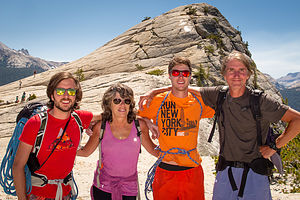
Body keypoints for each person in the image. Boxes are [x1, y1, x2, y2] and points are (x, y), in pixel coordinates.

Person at [140, 51, 300, 200]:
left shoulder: (259, 100)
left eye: (241, 70)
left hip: (253, 172)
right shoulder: (219, 96)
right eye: (231, 70)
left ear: (248, 74)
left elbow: (297, 120)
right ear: (224, 74)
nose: (236, 75)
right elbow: (180, 88)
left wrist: (274, 146)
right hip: (224, 172)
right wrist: (152, 98)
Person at [13, 72, 100, 200]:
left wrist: (94, 126)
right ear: (52, 95)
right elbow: (18, 166)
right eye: (60, 91)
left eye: (71, 91)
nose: (66, 96)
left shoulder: (80, 118)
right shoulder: (36, 123)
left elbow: (109, 115)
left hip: (66, 193)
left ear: (76, 96)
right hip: (38, 194)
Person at [138, 57, 215, 200]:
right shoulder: (157, 101)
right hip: (165, 172)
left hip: (193, 172)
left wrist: (160, 89)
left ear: (190, 76)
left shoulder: (199, 102)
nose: (180, 76)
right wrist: (147, 122)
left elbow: (226, 97)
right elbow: (133, 117)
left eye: (185, 73)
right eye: (176, 73)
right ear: (169, 75)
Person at [77, 83, 159, 200]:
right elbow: (85, 152)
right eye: (116, 100)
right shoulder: (101, 127)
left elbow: (154, 151)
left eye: (126, 101)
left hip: (130, 188)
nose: (122, 104)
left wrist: (176, 153)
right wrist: (62, 149)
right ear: (108, 103)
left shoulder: (139, 126)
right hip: (103, 187)